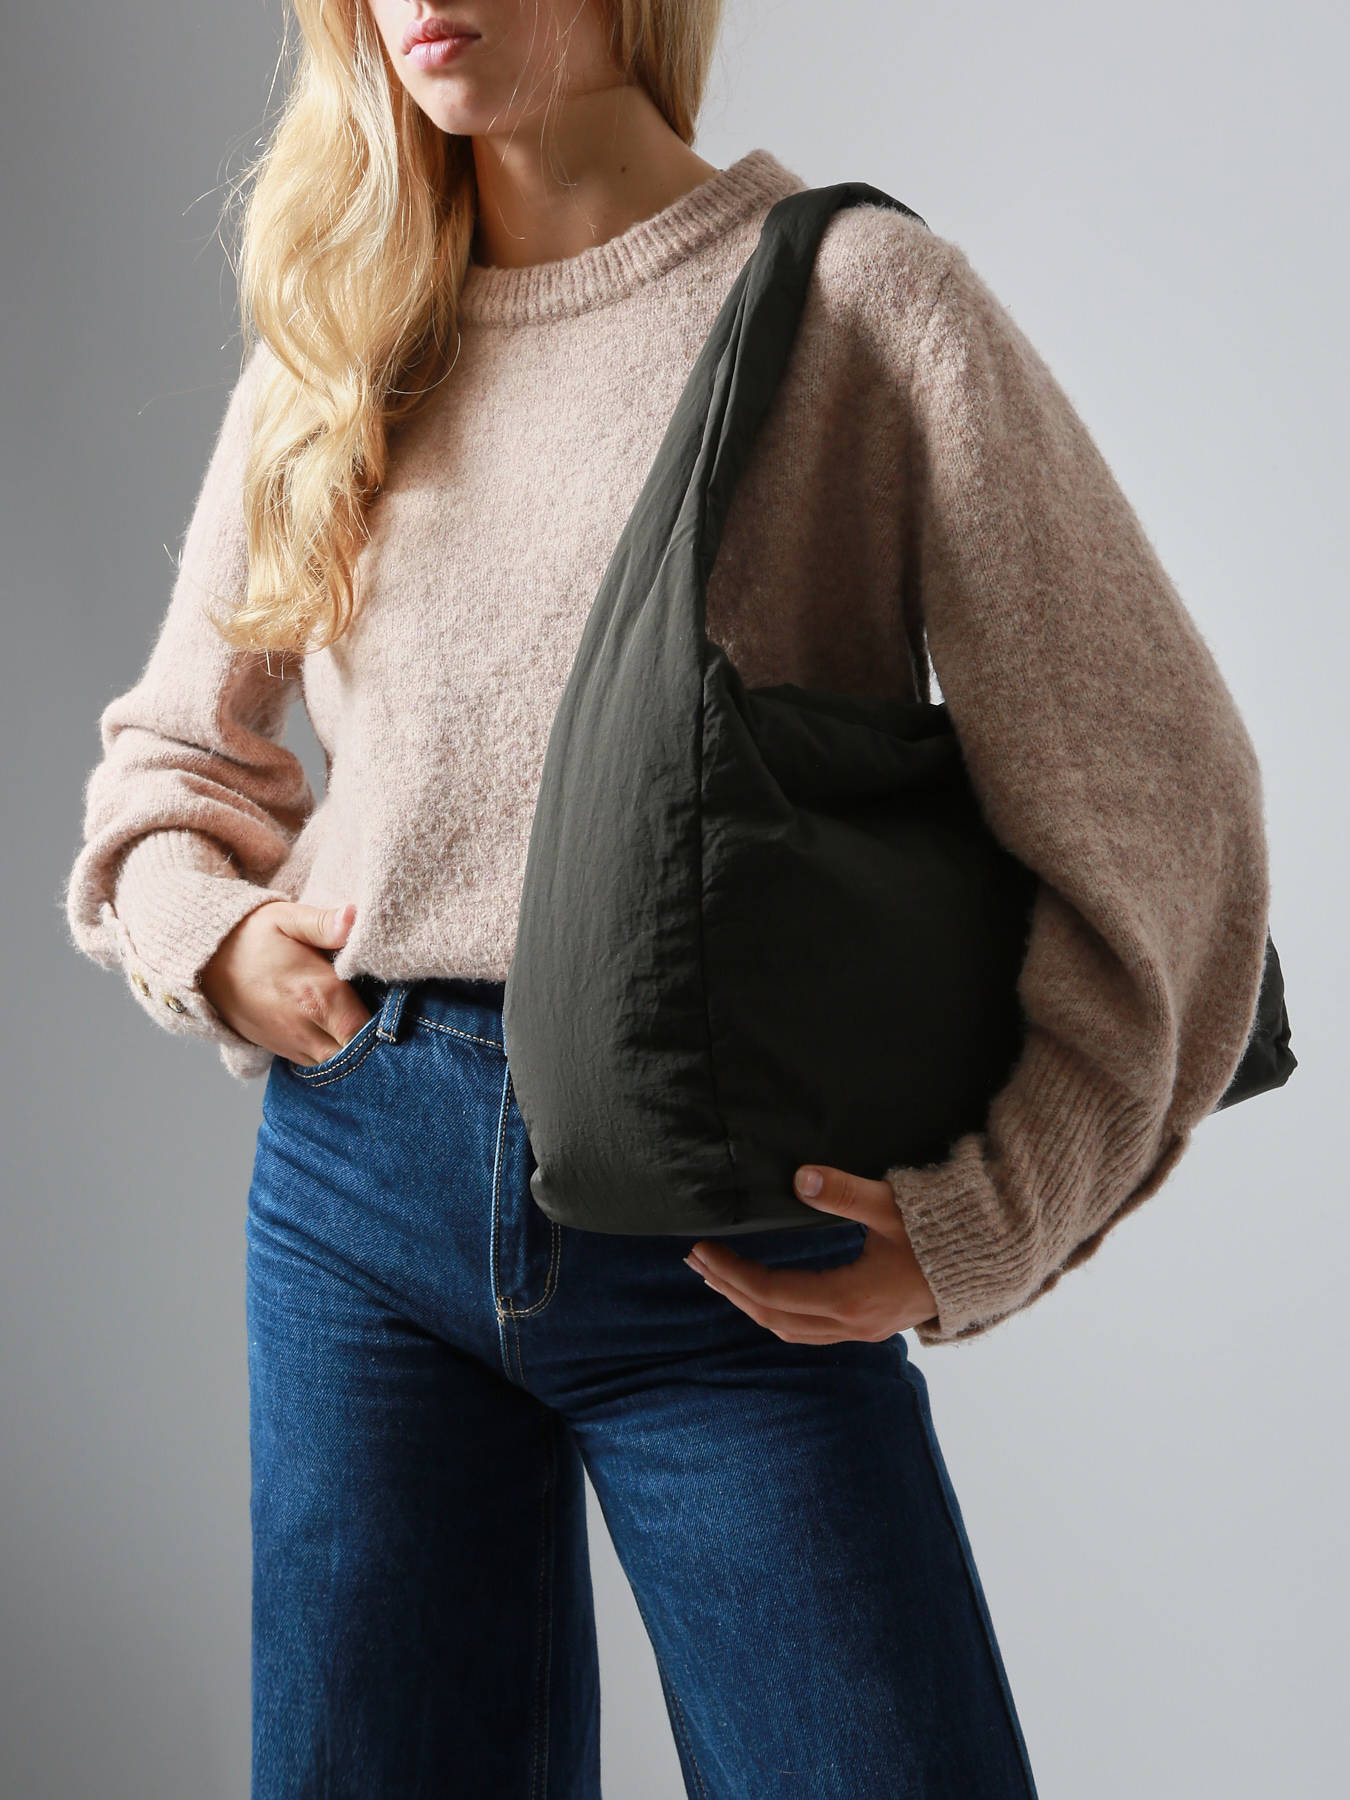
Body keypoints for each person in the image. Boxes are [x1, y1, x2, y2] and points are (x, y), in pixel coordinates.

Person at [63, 2, 1272, 1796]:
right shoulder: (348, 327)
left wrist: (1000, 1206)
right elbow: (170, 762)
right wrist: (210, 937)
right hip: (354, 1201)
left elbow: (1161, 799)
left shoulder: (857, 301)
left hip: (713, 1231)